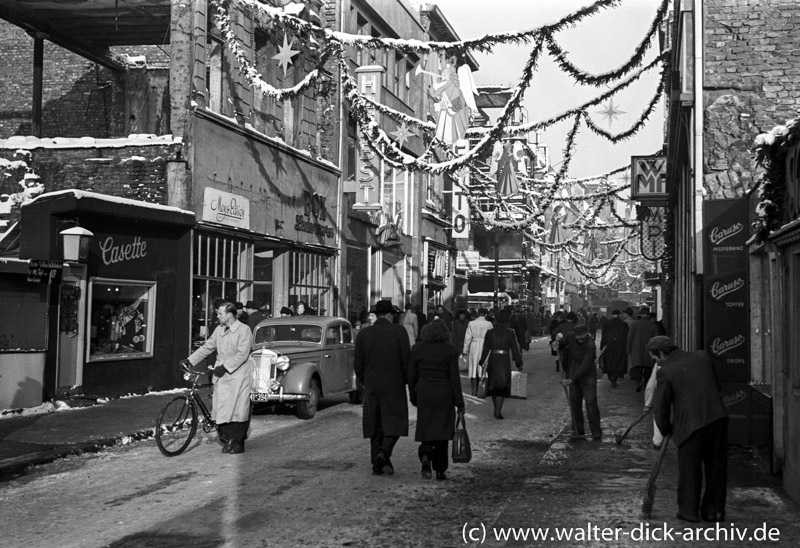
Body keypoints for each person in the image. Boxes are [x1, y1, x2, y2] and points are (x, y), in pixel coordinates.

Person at [650, 336, 729, 523]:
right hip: (717, 419)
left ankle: (689, 511)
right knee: (717, 467)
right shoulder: (703, 357)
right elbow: (717, 385)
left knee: (689, 470)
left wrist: (666, 428)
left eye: (655, 359)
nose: (657, 363)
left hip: (689, 426)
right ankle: (714, 511)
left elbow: (660, 407)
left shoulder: (666, 371)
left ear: (661, 353)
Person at [182, 302, 253, 454]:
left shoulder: (244, 330)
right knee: (221, 407)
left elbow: (242, 354)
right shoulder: (219, 330)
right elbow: (208, 346)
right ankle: (228, 439)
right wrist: (190, 360)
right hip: (222, 374)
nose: (218, 316)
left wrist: (225, 367)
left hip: (238, 375)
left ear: (229, 315)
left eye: (220, 313)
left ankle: (238, 442)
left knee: (238, 409)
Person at [353, 299, 411, 476]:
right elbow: (406, 360)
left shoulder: (364, 334)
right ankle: (383, 453)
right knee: (396, 422)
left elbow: (358, 364)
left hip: (372, 385)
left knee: (375, 425)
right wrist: (408, 381)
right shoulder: (399, 331)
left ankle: (377, 464)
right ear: (389, 314)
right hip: (394, 384)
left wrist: (365, 380)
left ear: (376, 315)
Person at [408, 321, 465, 481]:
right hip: (444, 392)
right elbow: (454, 378)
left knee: (426, 426)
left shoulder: (417, 349)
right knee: (442, 431)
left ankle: (426, 452)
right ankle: (440, 469)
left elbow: (412, 376)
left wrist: (413, 395)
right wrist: (459, 402)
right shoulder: (450, 351)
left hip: (424, 391)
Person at [559, 323, 601, 440]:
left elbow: (585, 366)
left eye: (583, 337)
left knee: (591, 403)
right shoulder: (570, 337)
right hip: (573, 373)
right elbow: (562, 342)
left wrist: (570, 380)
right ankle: (578, 430)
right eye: (579, 338)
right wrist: (556, 343)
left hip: (588, 377)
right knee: (575, 403)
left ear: (587, 334)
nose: (581, 340)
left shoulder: (590, 345)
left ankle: (596, 431)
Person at [478, 309, 523, 419]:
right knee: (502, 386)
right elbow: (515, 349)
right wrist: (518, 362)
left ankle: (495, 409)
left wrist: (482, 361)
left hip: (493, 359)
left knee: (493, 385)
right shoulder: (510, 333)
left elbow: (486, 349)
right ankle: (498, 411)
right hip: (504, 360)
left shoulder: (490, 333)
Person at [627, 306, 659, 392]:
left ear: (641, 315)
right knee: (648, 369)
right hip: (649, 349)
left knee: (637, 367)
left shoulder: (634, 325)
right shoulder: (653, 325)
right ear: (648, 315)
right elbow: (656, 338)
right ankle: (646, 384)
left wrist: (628, 350)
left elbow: (630, 338)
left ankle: (638, 382)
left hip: (636, 349)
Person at [462, 307, 493, 396]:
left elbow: (467, 338)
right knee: (483, 366)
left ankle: (473, 390)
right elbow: (491, 336)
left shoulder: (471, 323)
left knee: (473, 366)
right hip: (485, 346)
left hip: (474, 345)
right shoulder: (489, 324)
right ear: (486, 314)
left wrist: (465, 350)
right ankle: (482, 389)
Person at [599, 309, 629, 388]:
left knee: (609, 361)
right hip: (620, 346)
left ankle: (611, 375)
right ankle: (615, 377)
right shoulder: (624, 324)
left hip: (609, 346)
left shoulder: (607, 324)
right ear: (619, 315)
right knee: (618, 361)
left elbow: (604, 336)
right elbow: (626, 337)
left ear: (612, 315)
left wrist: (602, 346)